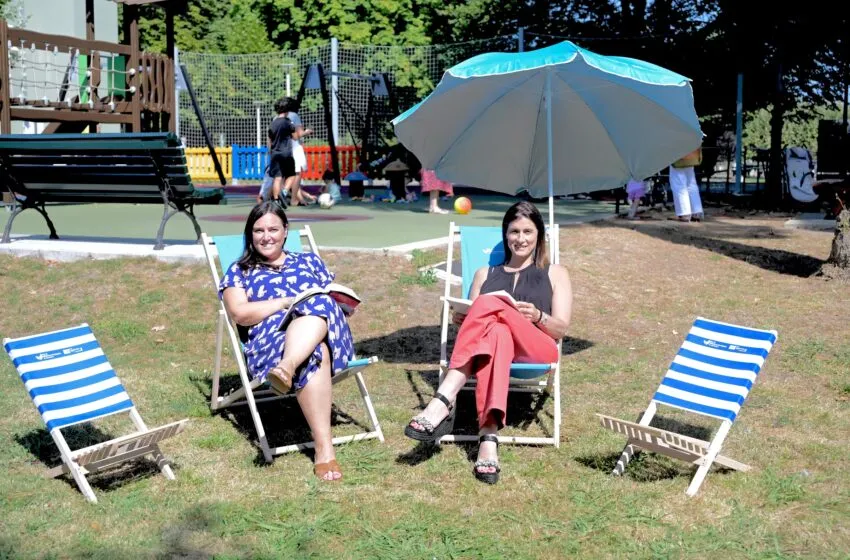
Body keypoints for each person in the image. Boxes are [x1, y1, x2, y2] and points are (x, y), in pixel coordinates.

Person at [404, 201, 573, 484]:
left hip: (537, 348)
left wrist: (538, 315)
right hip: (495, 348)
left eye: (528, 232)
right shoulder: (485, 274)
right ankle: (488, 437)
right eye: (514, 231)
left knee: (488, 303)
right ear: (505, 234)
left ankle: (443, 399)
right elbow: (473, 321)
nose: (520, 239)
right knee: (496, 332)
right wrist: (463, 319)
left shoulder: (555, 273)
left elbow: (561, 329)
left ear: (539, 235)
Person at [219, 201, 356, 481]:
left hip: (326, 330)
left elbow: (331, 298)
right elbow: (239, 313)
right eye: (258, 230)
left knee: (318, 305)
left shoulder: (309, 261)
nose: (266, 236)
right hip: (272, 342)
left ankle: (288, 366)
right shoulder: (240, 270)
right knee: (316, 351)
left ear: (285, 232)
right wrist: (285, 303)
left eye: (273, 229)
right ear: (250, 234)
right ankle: (325, 450)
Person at [280, 97, 315, 206]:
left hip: (280, 147)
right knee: (297, 173)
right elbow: (298, 134)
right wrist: (307, 131)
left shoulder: (277, 117)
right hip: (293, 147)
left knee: (283, 175)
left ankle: (282, 196)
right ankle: (294, 199)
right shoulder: (294, 116)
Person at [268, 98, 298, 207]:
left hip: (275, 154)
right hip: (286, 154)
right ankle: (284, 192)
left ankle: (276, 201)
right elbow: (295, 137)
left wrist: (270, 154)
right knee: (291, 175)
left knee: (277, 178)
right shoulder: (288, 122)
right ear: (287, 110)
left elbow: (270, 141)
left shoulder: (273, 123)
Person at [669, 147, 704, 222]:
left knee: (679, 185)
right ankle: (696, 212)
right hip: (691, 155)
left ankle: (684, 213)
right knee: (691, 184)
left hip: (678, 156)